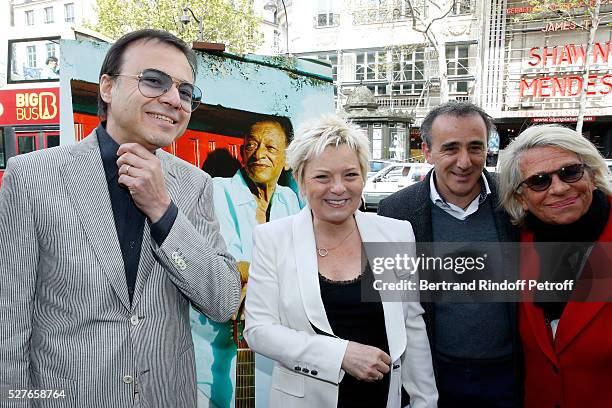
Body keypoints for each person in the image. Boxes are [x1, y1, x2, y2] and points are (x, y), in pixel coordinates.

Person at [0, 29, 241, 407]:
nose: (173, 99)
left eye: (185, 91)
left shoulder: (194, 186)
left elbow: (223, 300)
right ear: (108, 88)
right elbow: (8, 321)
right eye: (154, 81)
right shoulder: (32, 177)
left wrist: (164, 211)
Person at [244, 115, 437, 408]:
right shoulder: (273, 239)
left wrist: (425, 401)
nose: (338, 188)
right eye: (322, 177)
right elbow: (259, 330)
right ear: (301, 181)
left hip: (381, 399)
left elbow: (411, 325)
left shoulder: (393, 234)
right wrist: (340, 354)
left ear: (363, 176)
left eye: (350, 175)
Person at [378, 101, 521, 407]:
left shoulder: (515, 201)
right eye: (451, 148)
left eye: (475, 147)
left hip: (508, 375)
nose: (464, 161)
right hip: (434, 375)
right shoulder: (396, 211)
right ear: (427, 151)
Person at [497, 124, 612, 408]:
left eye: (570, 172)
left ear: (592, 174)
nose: (559, 188)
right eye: (538, 181)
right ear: (521, 197)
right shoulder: (518, 243)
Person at [191, 118, 300, 407]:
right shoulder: (217, 190)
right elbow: (229, 267)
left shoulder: (290, 200)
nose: (258, 153)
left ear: (286, 160)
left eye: (270, 147)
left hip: (269, 346)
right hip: (216, 340)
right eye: (251, 145)